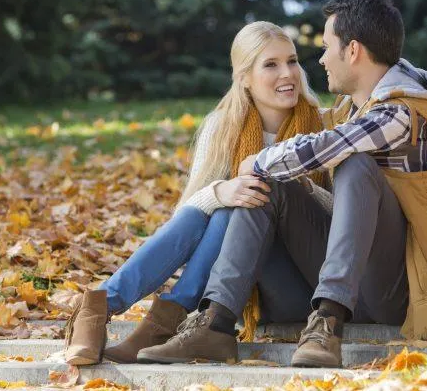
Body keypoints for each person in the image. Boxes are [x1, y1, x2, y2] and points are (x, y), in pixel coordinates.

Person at [137, 0, 427, 368]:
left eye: (325, 47)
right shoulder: (351, 111)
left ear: (352, 51)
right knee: (268, 187)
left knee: (354, 165)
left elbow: (325, 147)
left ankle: (328, 323)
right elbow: (307, 138)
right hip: (352, 280)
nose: (319, 60)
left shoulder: (403, 114)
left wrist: (258, 159)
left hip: (406, 292)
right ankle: (214, 325)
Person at [63, 21, 331, 365]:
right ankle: (104, 306)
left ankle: (138, 316)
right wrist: (222, 190)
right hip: (234, 287)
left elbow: (337, 219)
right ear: (244, 77)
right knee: (221, 206)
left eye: (292, 61)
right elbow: (187, 219)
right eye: (271, 64)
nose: (288, 73)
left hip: (298, 286)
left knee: (244, 202)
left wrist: (296, 190)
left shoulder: (322, 126)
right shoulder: (223, 126)